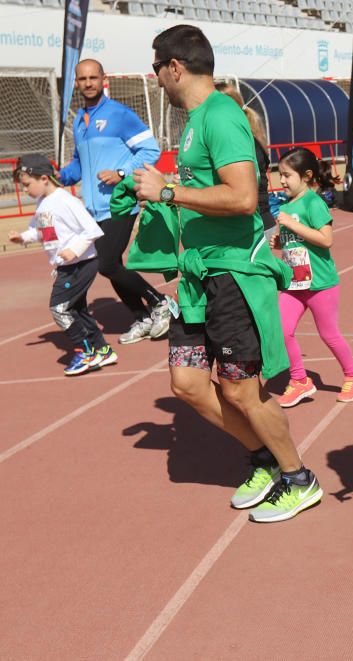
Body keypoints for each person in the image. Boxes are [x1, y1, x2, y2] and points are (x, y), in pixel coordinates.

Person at [132, 24, 321, 523]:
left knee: (241, 388)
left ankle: (299, 477)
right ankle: (264, 460)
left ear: (175, 67)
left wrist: (169, 192)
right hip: (200, 275)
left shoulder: (219, 115)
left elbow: (241, 197)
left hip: (232, 275)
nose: (155, 80)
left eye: (156, 68)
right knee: (188, 383)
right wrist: (162, 189)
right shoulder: (195, 120)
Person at [59, 58, 170, 345]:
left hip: (119, 203)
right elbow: (77, 163)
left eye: (93, 78)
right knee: (110, 265)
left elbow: (150, 149)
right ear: (76, 83)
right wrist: (61, 176)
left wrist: (122, 173)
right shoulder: (79, 122)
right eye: (82, 79)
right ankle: (142, 317)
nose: (88, 83)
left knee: (106, 263)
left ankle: (161, 303)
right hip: (92, 210)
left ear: (103, 78)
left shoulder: (119, 114)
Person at [270, 147, 353, 408]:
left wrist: (292, 225)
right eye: (281, 175)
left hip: (320, 284)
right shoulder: (287, 206)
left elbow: (326, 239)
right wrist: (282, 242)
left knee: (329, 334)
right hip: (294, 284)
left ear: (306, 175)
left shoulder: (314, 203)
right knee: (282, 329)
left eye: (288, 175)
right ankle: (299, 379)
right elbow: (299, 242)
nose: (282, 181)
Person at [8, 154, 117, 375]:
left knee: (59, 308)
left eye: (28, 185)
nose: (25, 190)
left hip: (80, 264)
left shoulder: (66, 201)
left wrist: (73, 249)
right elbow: (40, 231)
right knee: (76, 310)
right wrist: (23, 238)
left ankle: (86, 352)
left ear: (45, 178)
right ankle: (102, 350)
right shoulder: (42, 203)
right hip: (66, 266)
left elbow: (93, 230)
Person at [215, 82, 276, 233]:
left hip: (254, 225)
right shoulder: (246, 138)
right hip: (255, 222)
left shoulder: (241, 143)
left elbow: (242, 194)